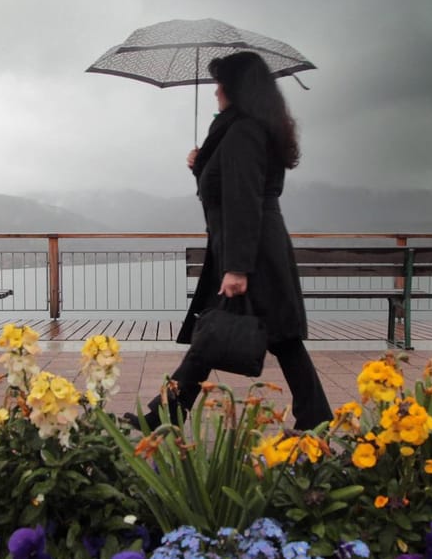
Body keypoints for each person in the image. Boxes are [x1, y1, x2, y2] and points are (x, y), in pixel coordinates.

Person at [137, 50, 332, 431]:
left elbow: (242, 198)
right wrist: (201, 166)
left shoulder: (241, 130)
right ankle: (167, 413)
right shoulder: (250, 127)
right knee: (232, 336)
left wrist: (238, 267)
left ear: (235, 87)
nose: (215, 92)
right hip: (252, 246)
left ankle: (166, 414)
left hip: (249, 251)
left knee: (266, 338)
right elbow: (225, 189)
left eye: (220, 83)